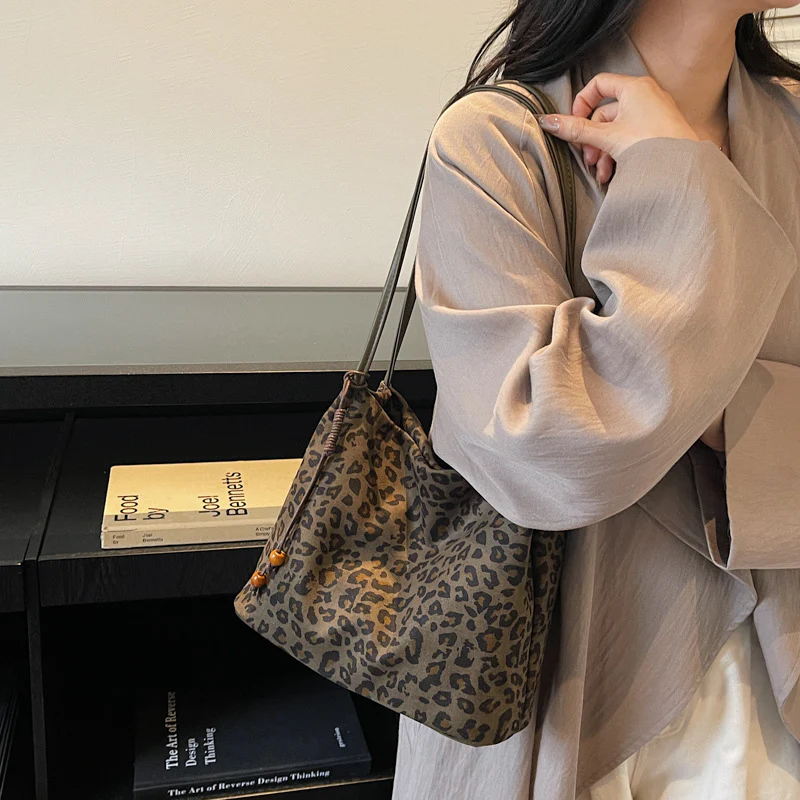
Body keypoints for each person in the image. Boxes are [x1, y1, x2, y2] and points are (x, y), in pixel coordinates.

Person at [391, 1, 800, 798]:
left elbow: (602, 406)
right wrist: (682, 180)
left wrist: (684, 399)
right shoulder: (495, 142)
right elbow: (549, 449)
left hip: (776, 701)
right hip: (566, 710)